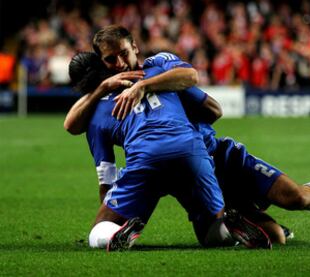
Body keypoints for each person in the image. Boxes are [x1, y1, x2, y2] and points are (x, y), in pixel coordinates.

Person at [66, 25, 310, 247]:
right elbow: (212, 109)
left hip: (215, 155)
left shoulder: (162, 68)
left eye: (123, 54)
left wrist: (152, 93)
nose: (120, 63)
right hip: (196, 160)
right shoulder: (118, 96)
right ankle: (238, 219)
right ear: (103, 66)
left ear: (134, 47)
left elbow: (207, 101)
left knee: (297, 198)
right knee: (274, 237)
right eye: (112, 60)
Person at [68, 51, 276, 251]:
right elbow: (214, 109)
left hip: (145, 163)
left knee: (99, 229)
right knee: (210, 233)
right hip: (191, 153)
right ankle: (231, 228)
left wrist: (114, 207)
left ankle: (115, 234)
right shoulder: (160, 74)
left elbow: (105, 176)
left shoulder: (96, 114)